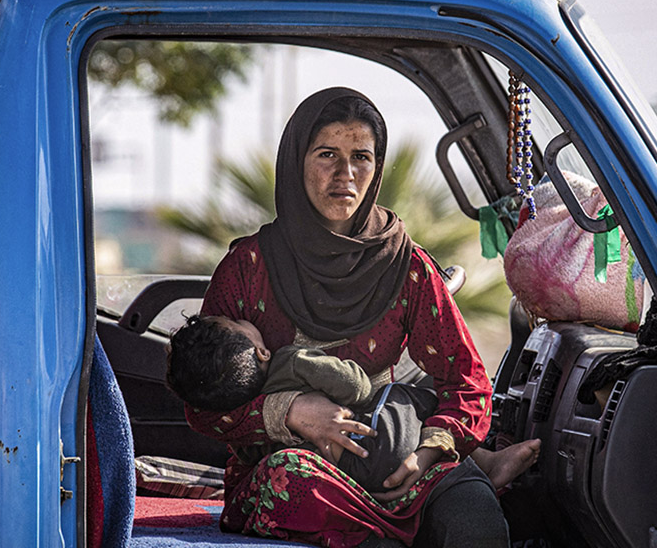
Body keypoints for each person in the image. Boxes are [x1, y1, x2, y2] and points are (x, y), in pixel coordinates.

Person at [182, 87, 541, 548]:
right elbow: (202, 402)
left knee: (473, 520)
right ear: (297, 159)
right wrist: (291, 412)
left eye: (362, 157)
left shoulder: (407, 266)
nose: (345, 174)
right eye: (327, 154)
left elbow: (466, 384)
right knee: (305, 494)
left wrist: (427, 455)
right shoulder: (248, 267)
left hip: (398, 454)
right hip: (297, 467)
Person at [167, 313, 438, 494]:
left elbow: (249, 455)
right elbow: (358, 388)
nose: (241, 317)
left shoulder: (249, 423)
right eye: (237, 322)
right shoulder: (292, 362)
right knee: (407, 393)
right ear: (262, 352)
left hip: (349, 481)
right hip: (378, 447)